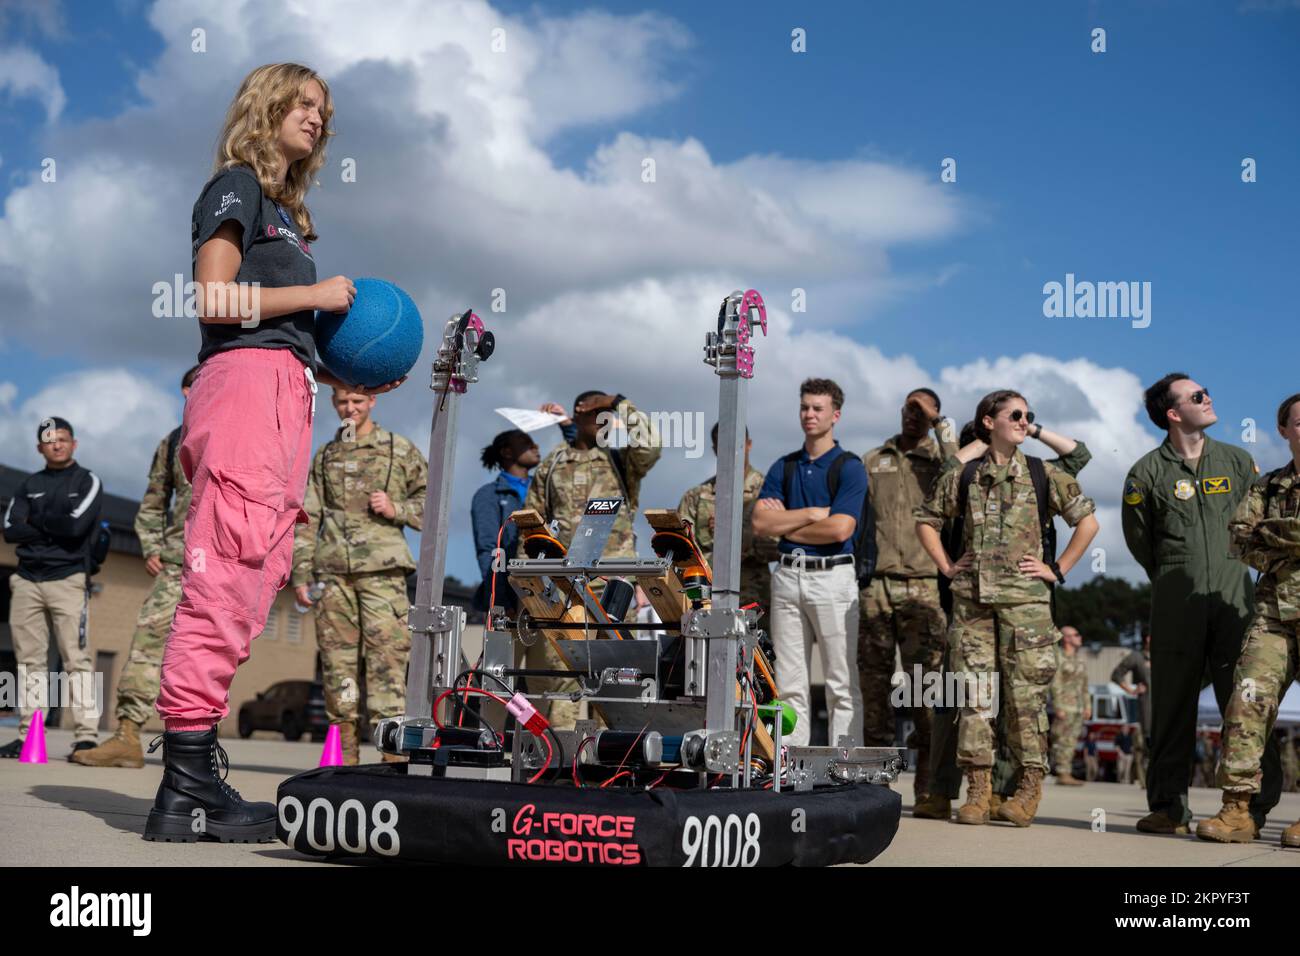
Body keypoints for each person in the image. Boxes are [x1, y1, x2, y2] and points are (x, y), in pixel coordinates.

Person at [145, 63, 403, 844]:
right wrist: (318, 300)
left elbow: (274, 320)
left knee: (255, 578)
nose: (317, 118)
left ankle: (192, 781)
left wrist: (334, 362)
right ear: (265, 108)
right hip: (244, 389)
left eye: (324, 110)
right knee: (222, 572)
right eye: (302, 103)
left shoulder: (290, 214)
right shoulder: (236, 186)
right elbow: (214, 299)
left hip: (285, 392)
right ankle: (185, 786)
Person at [916, 390, 1098, 826]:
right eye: (1015, 415)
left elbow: (1088, 522)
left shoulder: (1043, 474)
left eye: (1028, 415)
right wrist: (946, 566)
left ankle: (1027, 791)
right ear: (987, 422)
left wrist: (1057, 568)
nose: (1023, 421)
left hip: (1027, 608)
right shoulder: (966, 475)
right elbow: (926, 520)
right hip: (973, 606)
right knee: (975, 700)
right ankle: (977, 792)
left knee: (1025, 701)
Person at [1122, 372, 1278, 836]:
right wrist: (1176, 573)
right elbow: (1139, 540)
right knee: (1171, 704)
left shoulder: (1237, 461)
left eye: (1205, 391)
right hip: (1175, 598)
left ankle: (1251, 806)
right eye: (1196, 396)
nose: (1207, 398)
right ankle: (1169, 806)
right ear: (1173, 413)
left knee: (1247, 702)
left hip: (1235, 597)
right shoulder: (1146, 472)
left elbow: (1256, 526)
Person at [291, 388, 427, 765]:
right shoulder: (325, 456)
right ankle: (340, 756)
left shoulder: (398, 449)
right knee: (337, 665)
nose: (350, 409)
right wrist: (300, 572)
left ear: (372, 402)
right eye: (342, 402)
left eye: (357, 401)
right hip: (332, 573)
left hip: (382, 572)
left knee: (387, 660)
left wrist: (396, 507)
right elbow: (306, 516)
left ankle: (392, 755)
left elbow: (433, 504)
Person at [75, 366, 200, 768]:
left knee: (210, 653)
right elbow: (152, 502)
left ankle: (197, 746)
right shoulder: (173, 442)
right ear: (185, 391)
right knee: (148, 642)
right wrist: (152, 545)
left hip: (230, 561)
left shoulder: (244, 430)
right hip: (178, 560)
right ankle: (128, 735)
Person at [522, 390, 662, 728]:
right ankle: (562, 760)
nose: (605, 423)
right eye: (595, 416)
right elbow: (531, 528)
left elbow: (651, 444)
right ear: (579, 415)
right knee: (563, 675)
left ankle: (607, 761)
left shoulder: (621, 460)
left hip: (613, 583)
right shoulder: (553, 464)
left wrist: (618, 402)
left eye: (608, 418)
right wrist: (529, 586)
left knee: (614, 677)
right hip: (565, 585)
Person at [1197, 393, 1300, 845]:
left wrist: (1277, 538)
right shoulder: (1268, 488)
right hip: (1274, 614)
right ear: (1284, 430)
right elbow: (1239, 541)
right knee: (1245, 702)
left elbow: (1259, 539)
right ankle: (1237, 809)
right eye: (1299, 422)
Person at [856, 389, 957, 811]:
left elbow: (959, 476)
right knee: (874, 687)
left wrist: (939, 423)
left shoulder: (939, 460)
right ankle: (876, 789)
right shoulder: (874, 458)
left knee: (926, 689)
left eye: (923, 410)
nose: (914, 416)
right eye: (909, 408)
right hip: (876, 585)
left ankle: (931, 791)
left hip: (923, 584)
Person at [753, 378, 868, 748]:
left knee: (840, 680)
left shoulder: (849, 467)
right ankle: (790, 763)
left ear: (835, 414)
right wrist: (812, 514)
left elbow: (840, 529)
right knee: (788, 683)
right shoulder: (783, 467)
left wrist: (787, 525)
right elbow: (760, 524)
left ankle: (844, 765)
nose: (809, 415)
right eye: (804, 407)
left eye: (818, 408)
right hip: (786, 576)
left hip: (832, 577)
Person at [1, 417, 103, 760]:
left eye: (62, 439)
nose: (56, 444)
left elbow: (76, 528)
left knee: (77, 659)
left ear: (73, 443)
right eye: (49, 440)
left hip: (68, 579)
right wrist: (52, 525)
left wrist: (37, 521)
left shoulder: (87, 480)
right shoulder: (28, 484)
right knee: (29, 662)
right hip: (27, 579)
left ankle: (87, 736)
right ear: (39, 448)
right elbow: (11, 530)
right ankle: (29, 734)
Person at [677, 424, 780, 633]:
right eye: (722, 446)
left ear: (749, 445)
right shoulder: (697, 497)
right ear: (714, 449)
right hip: (710, 601)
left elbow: (781, 544)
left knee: (760, 662)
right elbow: (681, 550)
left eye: (737, 446)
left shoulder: (769, 492)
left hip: (755, 600)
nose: (730, 452)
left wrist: (739, 536)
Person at [471, 409, 575, 615]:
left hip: (551, 591)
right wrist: (499, 601)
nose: (536, 446)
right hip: (512, 596)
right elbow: (490, 551)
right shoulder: (488, 495)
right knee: (508, 648)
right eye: (526, 442)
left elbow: (576, 452)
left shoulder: (545, 487)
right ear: (507, 452)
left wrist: (565, 423)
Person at [1049, 625, 1091, 786]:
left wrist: (1088, 706)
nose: (1079, 637)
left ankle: (1066, 771)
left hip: (1078, 707)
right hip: (1065, 706)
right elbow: (1056, 683)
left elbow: (1085, 686)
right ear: (1066, 638)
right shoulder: (1058, 657)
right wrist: (1058, 705)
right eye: (1076, 634)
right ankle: (1061, 772)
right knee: (1061, 739)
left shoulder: (1079, 659)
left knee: (1072, 741)